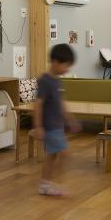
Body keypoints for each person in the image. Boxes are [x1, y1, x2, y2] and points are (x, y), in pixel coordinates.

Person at [34, 43, 81, 196]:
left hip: (57, 126)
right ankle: (59, 183)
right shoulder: (44, 81)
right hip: (50, 127)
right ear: (55, 62)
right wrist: (38, 126)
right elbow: (38, 105)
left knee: (52, 155)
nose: (67, 70)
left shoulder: (57, 81)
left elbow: (60, 103)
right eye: (66, 65)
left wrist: (71, 119)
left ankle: (45, 184)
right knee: (64, 152)